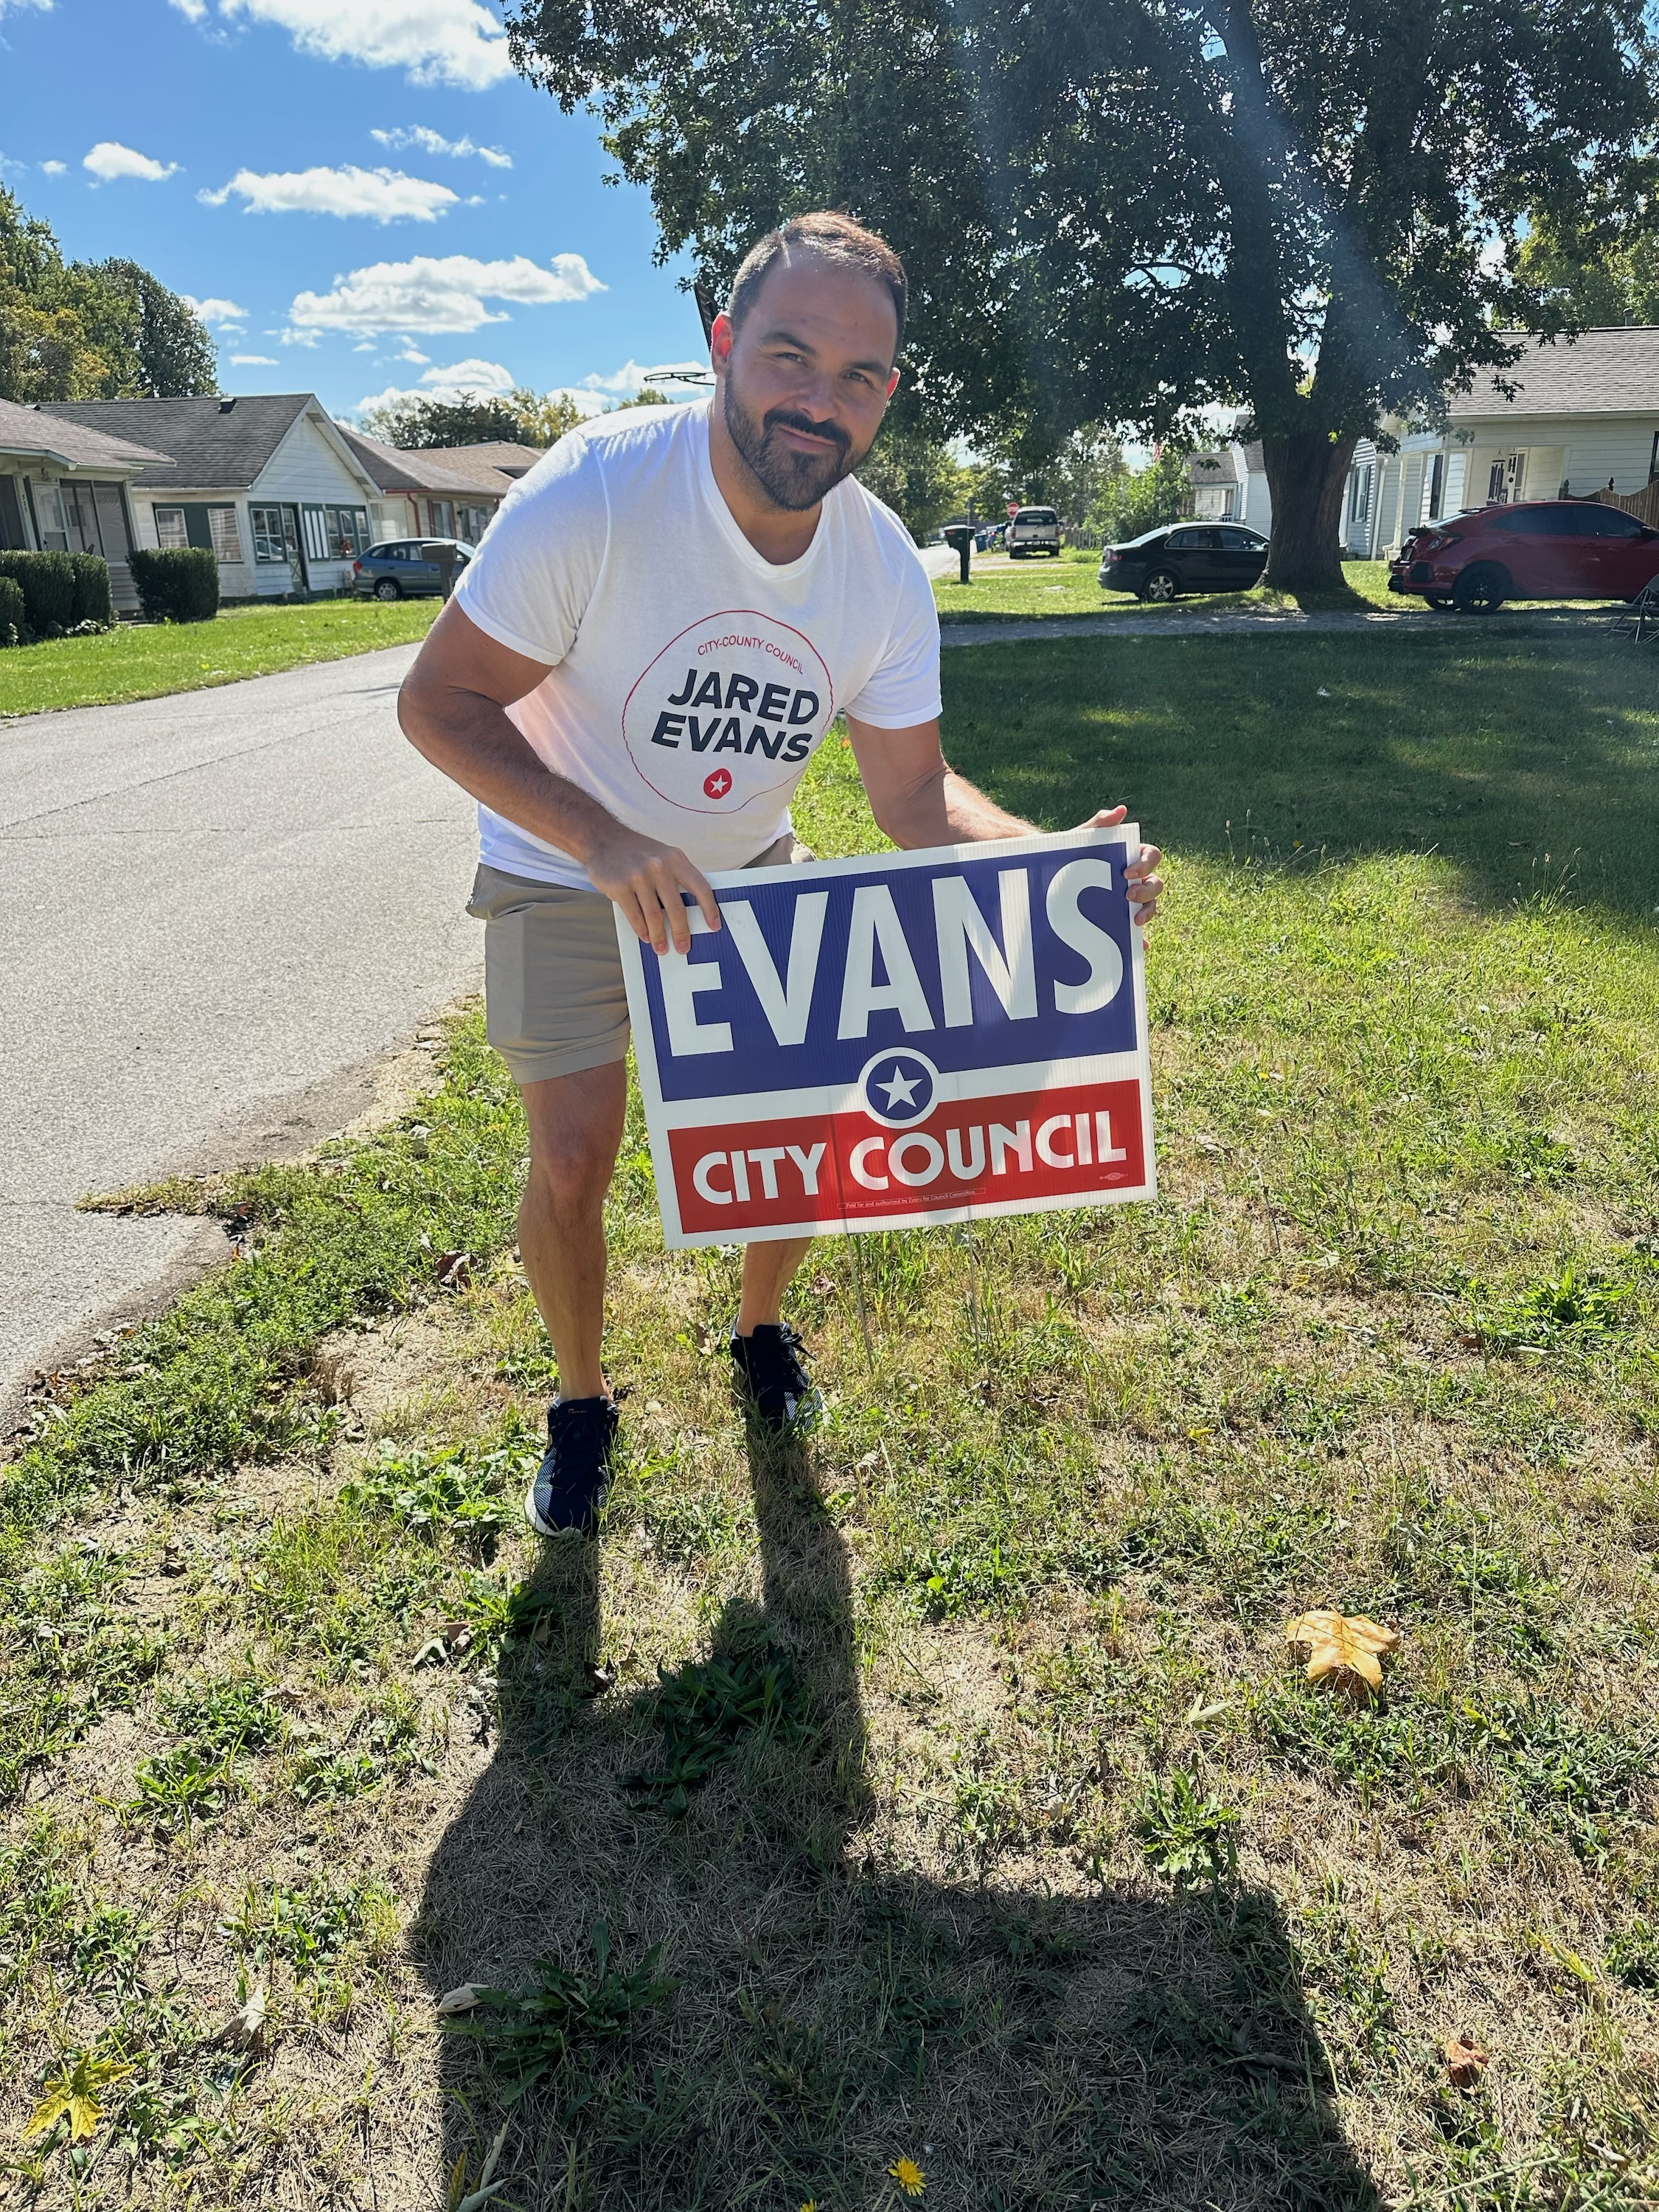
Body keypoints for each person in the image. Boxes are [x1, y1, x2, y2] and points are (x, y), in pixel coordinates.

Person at [398, 211, 1164, 1538]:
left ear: (889, 396)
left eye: (857, 377)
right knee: (573, 1158)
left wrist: (1060, 871)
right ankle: (580, 1403)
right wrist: (606, 841)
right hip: (558, 863)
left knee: (792, 1147)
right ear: (722, 346)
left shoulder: (878, 568)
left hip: (746, 878)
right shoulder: (596, 491)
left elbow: (914, 798)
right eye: (790, 358)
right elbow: (438, 706)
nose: (819, 403)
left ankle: (758, 1329)